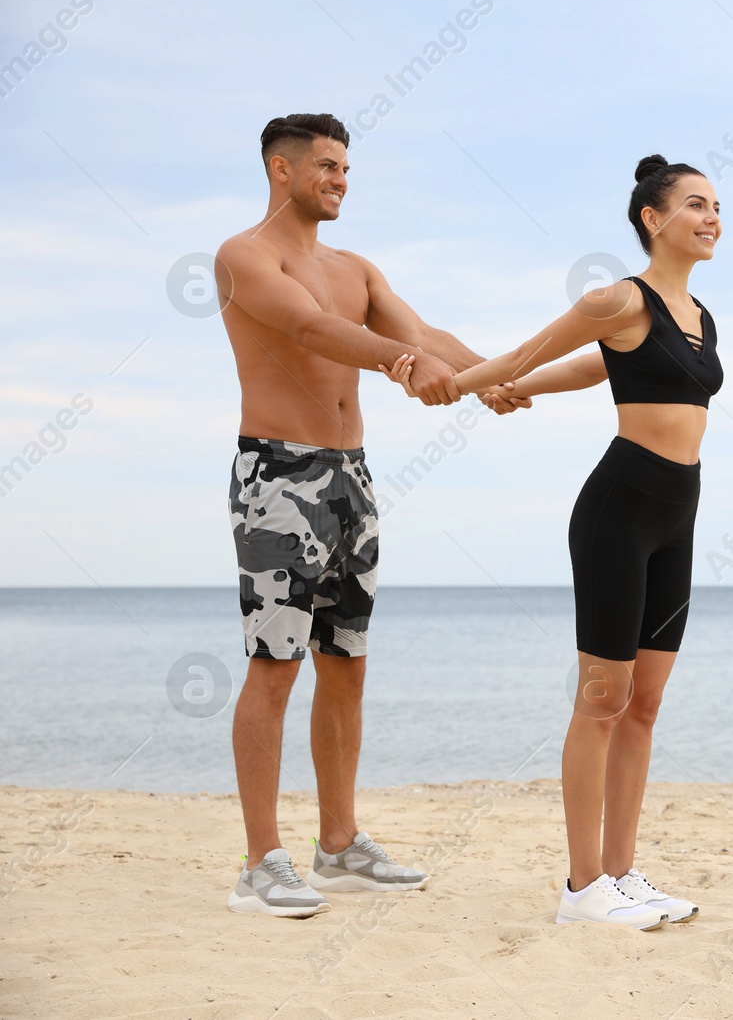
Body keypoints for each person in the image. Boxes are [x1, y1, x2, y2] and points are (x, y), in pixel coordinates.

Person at [386, 154, 722, 930]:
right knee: (602, 699)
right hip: (620, 506)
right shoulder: (618, 297)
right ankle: (581, 888)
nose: (712, 219)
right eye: (696, 205)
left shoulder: (700, 315)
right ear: (653, 217)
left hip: (679, 513)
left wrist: (524, 390)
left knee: (644, 705)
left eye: (717, 208)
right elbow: (524, 353)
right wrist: (462, 385)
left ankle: (622, 872)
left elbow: (594, 371)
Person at [214, 113, 529, 917]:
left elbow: (422, 333)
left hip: (351, 476)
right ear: (280, 170)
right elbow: (312, 329)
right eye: (325, 165)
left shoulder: (357, 266)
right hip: (279, 473)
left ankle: (340, 844)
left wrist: (492, 374)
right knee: (274, 664)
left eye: (346, 168)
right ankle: (260, 861)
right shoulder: (247, 255)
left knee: (346, 663)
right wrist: (401, 362)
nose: (340, 179)